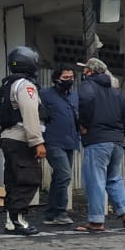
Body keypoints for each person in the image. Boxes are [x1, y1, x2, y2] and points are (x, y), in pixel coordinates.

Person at [76, 57, 125, 233]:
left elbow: (85, 102)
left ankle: (96, 221)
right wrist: (120, 133)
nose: (83, 72)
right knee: (114, 177)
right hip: (116, 141)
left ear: (90, 71)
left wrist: (84, 124)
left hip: (97, 140)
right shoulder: (115, 90)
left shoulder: (88, 86)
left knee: (95, 180)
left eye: (85, 69)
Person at [0, 46, 47, 236]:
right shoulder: (25, 85)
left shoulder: (8, 85)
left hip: (7, 138)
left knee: (14, 181)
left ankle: (12, 221)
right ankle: (18, 220)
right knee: (29, 180)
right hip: (21, 139)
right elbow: (30, 115)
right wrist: (37, 141)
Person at [39, 66, 81, 226]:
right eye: (65, 77)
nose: (69, 80)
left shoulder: (74, 96)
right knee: (64, 175)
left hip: (70, 141)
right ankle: (61, 212)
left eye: (71, 77)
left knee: (59, 177)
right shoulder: (44, 95)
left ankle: (51, 213)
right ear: (56, 78)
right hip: (52, 141)